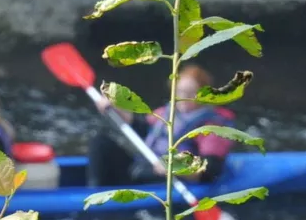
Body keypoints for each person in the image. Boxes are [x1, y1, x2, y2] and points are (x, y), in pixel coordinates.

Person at [86, 63, 237, 186]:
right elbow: (144, 129)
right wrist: (116, 109)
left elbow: (210, 170)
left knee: (141, 173)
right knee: (100, 143)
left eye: (190, 93)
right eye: (180, 92)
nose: (183, 98)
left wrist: (177, 168)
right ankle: (93, 192)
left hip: (174, 180)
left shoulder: (213, 125)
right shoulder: (167, 112)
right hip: (147, 167)